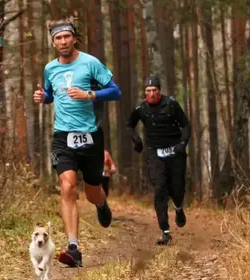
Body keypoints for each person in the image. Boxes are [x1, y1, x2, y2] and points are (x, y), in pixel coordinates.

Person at [33, 19, 121, 267]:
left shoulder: (90, 63)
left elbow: (116, 91)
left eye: (66, 37)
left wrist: (90, 94)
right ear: (53, 42)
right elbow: (52, 94)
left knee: (92, 192)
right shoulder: (50, 68)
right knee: (67, 186)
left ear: (74, 39)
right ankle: (74, 248)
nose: (63, 42)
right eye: (58, 38)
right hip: (63, 136)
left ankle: (102, 204)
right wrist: (44, 97)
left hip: (91, 136)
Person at [127, 75, 191, 245]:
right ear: (145, 93)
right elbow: (130, 125)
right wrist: (137, 140)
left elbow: (185, 125)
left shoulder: (171, 104)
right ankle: (165, 231)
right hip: (155, 153)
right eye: (148, 91)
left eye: (154, 90)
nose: (152, 94)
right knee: (160, 188)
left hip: (175, 152)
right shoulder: (141, 108)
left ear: (159, 91)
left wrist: (183, 144)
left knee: (177, 189)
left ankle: (178, 207)